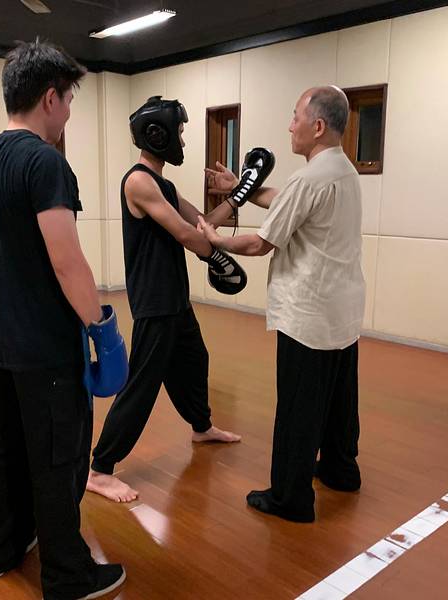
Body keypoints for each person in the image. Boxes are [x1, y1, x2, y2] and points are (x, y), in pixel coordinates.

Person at [0, 39, 126, 599]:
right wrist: (101, 327)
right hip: (46, 346)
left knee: (3, 445)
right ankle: (68, 576)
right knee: (58, 455)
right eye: (70, 100)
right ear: (50, 98)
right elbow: (66, 258)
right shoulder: (46, 163)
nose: (69, 112)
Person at [198, 86, 365, 523]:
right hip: (342, 311)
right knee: (339, 399)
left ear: (318, 126)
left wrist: (215, 239)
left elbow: (260, 243)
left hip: (308, 313)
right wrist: (240, 188)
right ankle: (341, 470)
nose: (290, 126)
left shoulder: (311, 178)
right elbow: (288, 201)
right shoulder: (342, 169)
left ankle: (290, 498)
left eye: (295, 117)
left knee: (298, 406)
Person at [86, 96, 242, 503]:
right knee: (143, 384)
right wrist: (220, 257)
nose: (183, 142)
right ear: (158, 134)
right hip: (154, 301)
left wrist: (240, 194)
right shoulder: (138, 182)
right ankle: (100, 469)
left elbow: (202, 224)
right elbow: (188, 235)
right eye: (180, 133)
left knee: (195, 359)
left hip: (174, 297)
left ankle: (201, 427)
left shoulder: (164, 185)